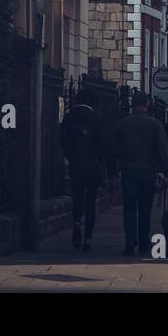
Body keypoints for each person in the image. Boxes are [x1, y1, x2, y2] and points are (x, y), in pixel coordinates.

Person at [111, 91, 168, 256]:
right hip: (147, 173)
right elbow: (162, 150)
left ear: (132, 104)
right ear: (146, 104)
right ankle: (144, 243)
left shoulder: (122, 124)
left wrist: (113, 173)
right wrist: (167, 172)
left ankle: (130, 241)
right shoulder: (154, 124)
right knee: (145, 210)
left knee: (129, 209)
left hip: (128, 171)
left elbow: (114, 151)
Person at [59, 87, 107, 250]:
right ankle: (88, 238)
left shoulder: (69, 116)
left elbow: (62, 139)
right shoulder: (97, 118)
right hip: (92, 165)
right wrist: (100, 159)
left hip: (75, 165)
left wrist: (70, 157)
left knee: (77, 196)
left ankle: (77, 221)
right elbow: (102, 144)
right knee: (91, 199)